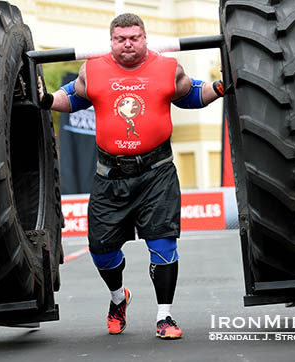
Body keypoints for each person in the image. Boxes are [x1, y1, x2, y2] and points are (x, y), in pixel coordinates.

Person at [38, 13, 225, 339]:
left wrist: (222, 86)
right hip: (110, 176)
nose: (128, 44)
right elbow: (70, 98)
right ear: (111, 40)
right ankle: (117, 298)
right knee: (101, 250)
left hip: (157, 174)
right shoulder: (92, 70)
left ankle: (164, 316)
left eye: (134, 37)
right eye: (121, 38)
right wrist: (44, 99)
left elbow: (193, 95)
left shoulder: (167, 67)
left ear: (145, 37)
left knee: (163, 245)